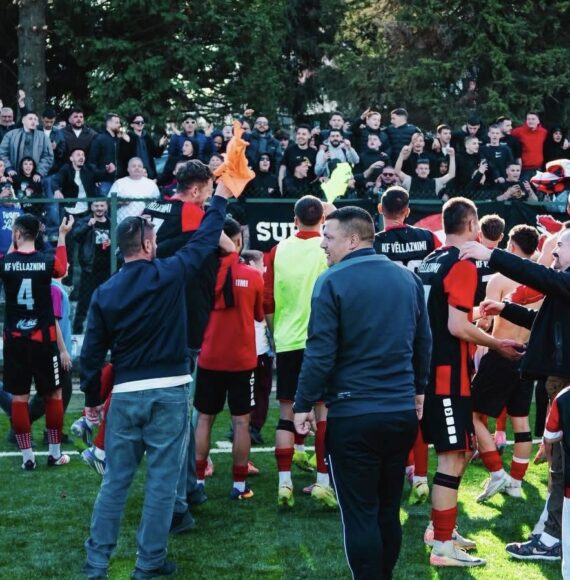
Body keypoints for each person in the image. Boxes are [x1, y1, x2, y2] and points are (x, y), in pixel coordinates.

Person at [80, 179, 232, 579]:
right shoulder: (169, 273)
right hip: (168, 390)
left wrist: (93, 400)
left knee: (115, 482)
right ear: (148, 245)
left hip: (127, 393)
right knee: (162, 483)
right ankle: (148, 562)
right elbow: (204, 243)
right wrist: (220, 199)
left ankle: (97, 563)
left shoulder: (106, 291)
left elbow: (91, 356)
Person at [293, 205, 431, 579]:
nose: (323, 244)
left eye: (329, 236)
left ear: (353, 239)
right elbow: (424, 342)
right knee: (387, 510)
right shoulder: (407, 279)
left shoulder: (332, 280)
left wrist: (303, 403)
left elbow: (320, 353)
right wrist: (418, 389)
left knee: (361, 514)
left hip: (354, 416)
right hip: (398, 413)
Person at [417, 197, 524, 567]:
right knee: (451, 457)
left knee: (461, 452)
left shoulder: (432, 259)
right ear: (472, 224)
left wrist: (478, 312)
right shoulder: (461, 263)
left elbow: (445, 315)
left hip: (437, 370)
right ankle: (442, 546)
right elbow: (456, 326)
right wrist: (498, 344)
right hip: (447, 374)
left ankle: (441, 529)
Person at [460, 224, 570, 562]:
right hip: (554, 379)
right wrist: (505, 309)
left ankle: (551, 539)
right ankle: (550, 533)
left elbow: (535, 274)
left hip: (563, 384)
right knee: (557, 464)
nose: (554, 249)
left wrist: (490, 254)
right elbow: (545, 322)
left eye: (561, 244)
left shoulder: (559, 280)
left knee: (561, 468)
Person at [264, 195, 332, 508]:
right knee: (323, 413)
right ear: (322, 220)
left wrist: (275, 333)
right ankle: (323, 482)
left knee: (286, 414)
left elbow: (267, 300)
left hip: (288, 340)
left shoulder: (278, 250)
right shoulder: (327, 247)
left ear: (294, 219)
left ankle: (284, 483)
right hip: (321, 342)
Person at [194, 217, 264, 499]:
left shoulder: (202, 273)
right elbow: (259, 315)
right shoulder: (253, 275)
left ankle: (197, 480)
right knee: (242, 422)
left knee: (204, 419)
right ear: (237, 241)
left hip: (210, 357)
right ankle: (239, 485)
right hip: (242, 360)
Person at [471, 225, 541, 501]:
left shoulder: (499, 279)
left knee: (472, 413)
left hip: (501, 353)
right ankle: (516, 483)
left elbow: (485, 321)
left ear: (511, 246)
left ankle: (497, 472)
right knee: (521, 421)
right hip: (528, 356)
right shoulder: (544, 278)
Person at [1, 213, 73, 470]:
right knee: (54, 394)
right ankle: (54, 454)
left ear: (18, 234)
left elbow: (11, 259)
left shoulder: (6, 262)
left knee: (19, 398)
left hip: (15, 340)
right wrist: (62, 236)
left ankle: (28, 458)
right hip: (44, 339)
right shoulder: (46, 261)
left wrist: (14, 245)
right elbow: (62, 269)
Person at [72, 200, 112, 334]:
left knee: (106, 301)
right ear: (91, 207)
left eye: (102, 205)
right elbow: (76, 236)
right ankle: (77, 330)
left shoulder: (111, 223)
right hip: (90, 268)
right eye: (96, 206)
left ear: (106, 207)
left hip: (107, 269)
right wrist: (88, 226)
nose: (99, 208)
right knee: (83, 302)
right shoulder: (85, 221)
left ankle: (105, 330)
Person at [109, 157, 160, 223]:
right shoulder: (119, 183)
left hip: (145, 223)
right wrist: (121, 202)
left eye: (139, 166)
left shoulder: (151, 184)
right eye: (133, 166)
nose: (137, 168)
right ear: (128, 169)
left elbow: (158, 204)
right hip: (122, 223)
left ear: (142, 168)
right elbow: (109, 202)